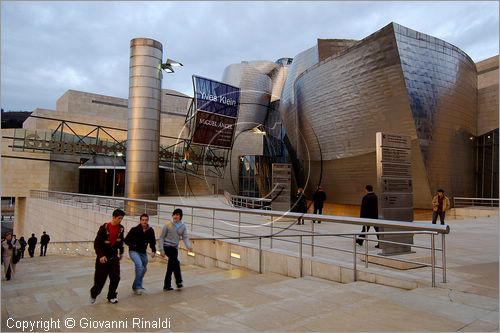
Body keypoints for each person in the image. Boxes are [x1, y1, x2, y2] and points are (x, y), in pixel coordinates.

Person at [89, 208, 125, 304]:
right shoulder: (104, 228)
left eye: (121, 218)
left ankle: (111, 296)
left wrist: (121, 252)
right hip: (103, 259)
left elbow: (121, 241)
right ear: (113, 217)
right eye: (119, 218)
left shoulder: (121, 229)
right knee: (100, 280)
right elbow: (97, 244)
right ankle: (94, 293)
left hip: (113, 258)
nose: (120, 220)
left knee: (115, 277)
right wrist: (100, 255)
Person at [159, 208, 192, 291]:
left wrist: (189, 246)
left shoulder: (182, 226)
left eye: (177, 215)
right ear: (172, 215)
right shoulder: (167, 225)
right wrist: (162, 249)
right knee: (176, 262)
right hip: (167, 246)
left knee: (171, 266)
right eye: (174, 214)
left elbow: (185, 237)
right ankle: (179, 282)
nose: (175, 216)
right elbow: (161, 238)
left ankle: (167, 285)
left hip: (174, 248)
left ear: (180, 217)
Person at [124, 213, 156, 295]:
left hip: (143, 252)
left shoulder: (150, 230)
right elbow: (126, 240)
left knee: (143, 268)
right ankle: (138, 287)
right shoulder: (134, 229)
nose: (144, 221)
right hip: (133, 251)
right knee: (139, 266)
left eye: (146, 220)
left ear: (148, 221)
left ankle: (135, 285)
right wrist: (134, 245)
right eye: (143, 220)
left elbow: (152, 241)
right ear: (140, 221)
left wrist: (153, 250)